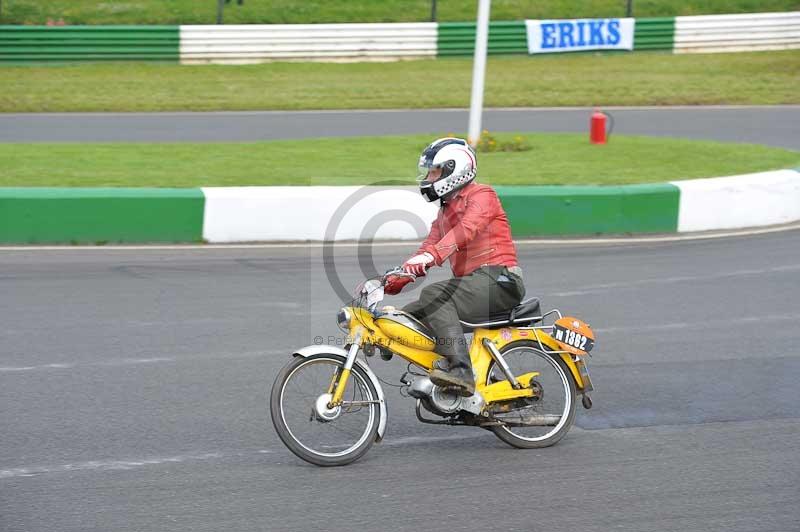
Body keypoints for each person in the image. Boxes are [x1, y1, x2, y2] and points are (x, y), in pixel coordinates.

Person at [384, 137, 525, 396]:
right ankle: (446, 373)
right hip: (474, 285)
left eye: (434, 171)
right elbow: (427, 249)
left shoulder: (483, 195)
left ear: (454, 170)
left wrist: (432, 256)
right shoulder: (443, 214)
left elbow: (467, 229)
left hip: (500, 281)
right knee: (405, 316)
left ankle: (462, 372)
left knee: (434, 295)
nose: (428, 177)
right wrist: (394, 279)